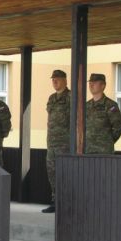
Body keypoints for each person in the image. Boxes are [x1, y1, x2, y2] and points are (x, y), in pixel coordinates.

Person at [43, 69, 70, 213]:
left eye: (57, 79)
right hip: (51, 143)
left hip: (65, 143)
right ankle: (55, 201)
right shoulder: (52, 98)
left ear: (65, 80)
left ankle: (65, 202)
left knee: (64, 173)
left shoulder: (71, 97)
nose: (54, 81)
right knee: (52, 173)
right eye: (53, 79)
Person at [85, 73, 121, 154]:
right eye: (90, 83)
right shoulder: (86, 105)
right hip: (88, 150)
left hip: (104, 151)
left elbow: (118, 127)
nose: (91, 85)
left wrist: (107, 141)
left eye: (94, 83)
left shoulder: (110, 105)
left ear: (103, 86)